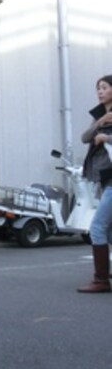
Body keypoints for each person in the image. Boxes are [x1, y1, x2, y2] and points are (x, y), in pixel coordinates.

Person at [77, 74, 112, 293]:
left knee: (97, 228)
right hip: (104, 177)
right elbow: (84, 137)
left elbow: (102, 140)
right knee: (108, 231)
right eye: (98, 88)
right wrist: (99, 124)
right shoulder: (100, 115)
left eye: (105, 87)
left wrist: (107, 138)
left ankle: (101, 280)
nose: (100, 91)